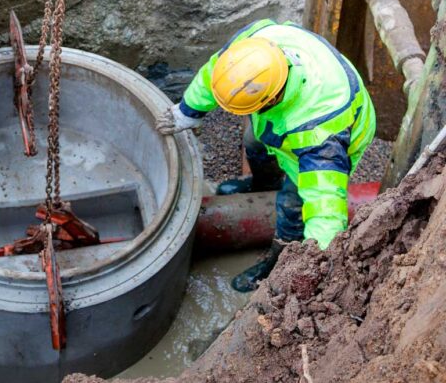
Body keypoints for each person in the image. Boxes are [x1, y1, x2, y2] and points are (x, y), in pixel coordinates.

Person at [156, 19, 376, 292]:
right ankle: (263, 185)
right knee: (255, 142)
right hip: (289, 113)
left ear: (270, 100)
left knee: (291, 207)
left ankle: (277, 262)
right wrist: (187, 112)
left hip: (338, 129)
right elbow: (214, 73)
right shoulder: (252, 47)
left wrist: (318, 263)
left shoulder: (319, 139)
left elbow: (325, 207)